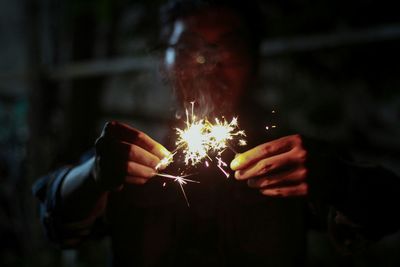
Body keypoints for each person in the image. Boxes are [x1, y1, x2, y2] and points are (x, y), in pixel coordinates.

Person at [33, 1, 400, 266]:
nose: (208, 63)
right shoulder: (128, 157)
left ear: (254, 62)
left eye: (227, 47)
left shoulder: (292, 159)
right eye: (189, 46)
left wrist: (334, 179)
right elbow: (56, 220)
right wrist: (94, 176)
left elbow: (388, 210)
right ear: (167, 60)